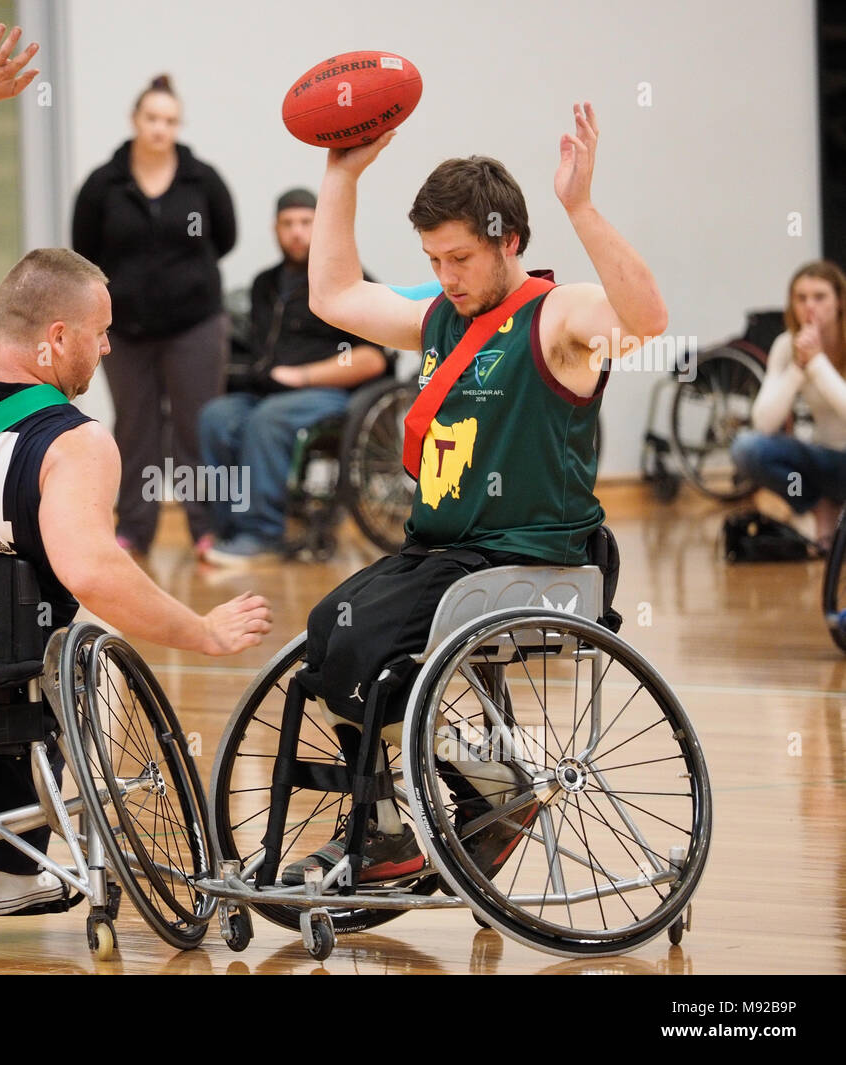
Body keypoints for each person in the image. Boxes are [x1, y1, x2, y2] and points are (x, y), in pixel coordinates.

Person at [0, 24, 271, 916]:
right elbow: (95, 570)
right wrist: (202, 633)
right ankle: (14, 868)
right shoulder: (77, 441)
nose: (107, 344)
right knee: (59, 646)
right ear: (58, 337)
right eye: (99, 331)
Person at [285, 103, 668, 883]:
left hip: (529, 555)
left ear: (509, 241)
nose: (446, 277)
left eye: (459, 258)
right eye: (433, 260)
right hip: (444, 556)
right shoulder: (439, 318)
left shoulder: (556, 318)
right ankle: (493, 783)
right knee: (329, 632)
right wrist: (341, 174)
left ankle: (392, 831)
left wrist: (582, 207)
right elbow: (333, 294)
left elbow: (648, 319)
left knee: (368, 649)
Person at [72, 74, 236, 559]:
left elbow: (224, 238)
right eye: (152, 119)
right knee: (135, 429)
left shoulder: (201, 179)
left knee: (196, 428)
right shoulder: (104, 184)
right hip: (124, 331)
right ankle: (134, 531)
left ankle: (206, 530)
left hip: (195, 326)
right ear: (135, 121)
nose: (160, 128)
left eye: (169, 120)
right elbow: (85, 253)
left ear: (178, 125)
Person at [199, 187, 387, 565]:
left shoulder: (347, 279)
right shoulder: (263, 284)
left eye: (306, 223)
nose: (297, 232)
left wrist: (305, 376)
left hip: (330, 394)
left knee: (268, 420)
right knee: (215, 417)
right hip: (267, 390)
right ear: (276, 228)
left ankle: (262, 534)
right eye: (288, 224)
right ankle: (227, 530)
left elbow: (371, 360)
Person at [731, 260, 846, 550]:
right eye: (801, 297)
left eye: (819, 297)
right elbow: (764, 422)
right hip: (822, 457)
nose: (810, 306)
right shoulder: (786, 345)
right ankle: (820, 507)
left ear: (840, 301)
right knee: (747, 448)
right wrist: (798, 367)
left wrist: (817, 363)